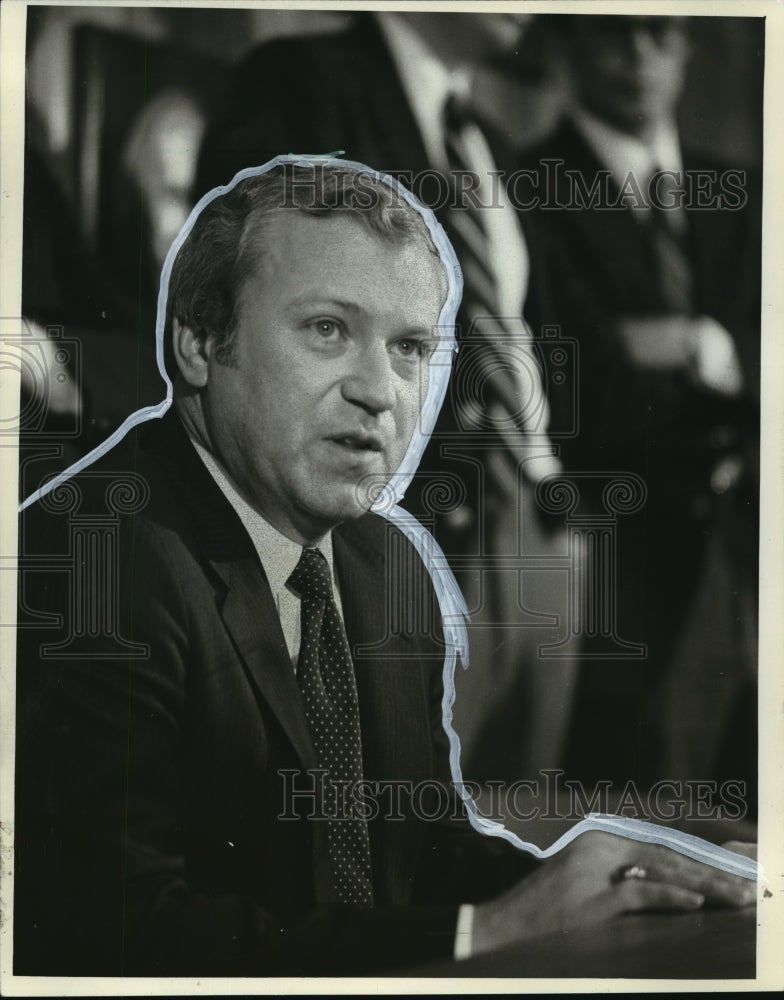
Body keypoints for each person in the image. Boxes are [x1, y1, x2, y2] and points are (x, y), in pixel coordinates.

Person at [14, 162, 755, 977]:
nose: (380, 392)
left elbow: (413, 857)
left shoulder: (384, 558)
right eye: (328, 329)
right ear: (198, 340)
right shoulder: (90, 558)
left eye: (409, 348)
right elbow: (110, 938)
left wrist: (632, 882)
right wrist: (480, 935)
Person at [194, 8, 578, 787]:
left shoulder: (486, 143)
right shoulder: (299, 82)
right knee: (407, 821)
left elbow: (526, 324)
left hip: (533, 516)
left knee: (519, 817)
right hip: (398, 516)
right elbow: (250, 294)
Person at [517, 15, 760, 805]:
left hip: (741, 533)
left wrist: (696, 344)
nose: (638, 59)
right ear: (569, 49)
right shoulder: (529, 184)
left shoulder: (741, 190)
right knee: (621, 793)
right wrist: (713, 361)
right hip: (609, 539)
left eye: (660, 33)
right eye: (612, 35)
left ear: (689, 46)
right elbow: (579, 375)